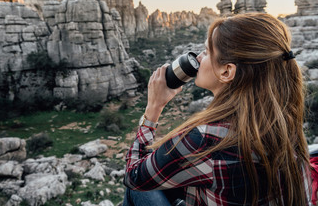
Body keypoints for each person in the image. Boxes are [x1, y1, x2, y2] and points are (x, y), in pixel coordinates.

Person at [123, 13, 312, 206]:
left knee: (136, 191)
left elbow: (134, 176)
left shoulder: (207, 139)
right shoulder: (284, 120)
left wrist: (153, 108)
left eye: (206, 52)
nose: (198, 58)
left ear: (227, 71)